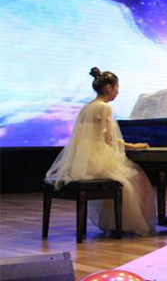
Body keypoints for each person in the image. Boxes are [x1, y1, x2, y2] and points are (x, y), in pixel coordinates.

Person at [46, 67, 156, 235]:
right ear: (108, 88)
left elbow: (88, 136)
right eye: (117, 88)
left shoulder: (87, 106)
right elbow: (108, 140)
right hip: (98, 158)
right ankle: (124, 224)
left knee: (127, 178)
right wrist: (131, 146)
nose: (117, 92)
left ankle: (112, 222)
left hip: (84, 159)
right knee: (136, 177)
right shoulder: (105, 107)